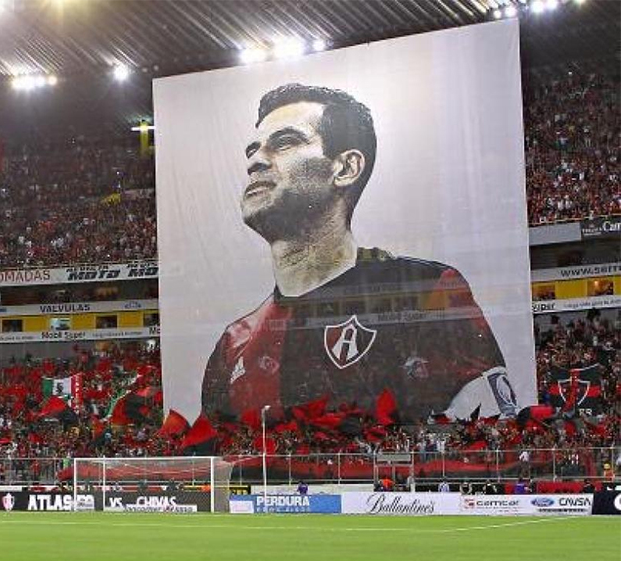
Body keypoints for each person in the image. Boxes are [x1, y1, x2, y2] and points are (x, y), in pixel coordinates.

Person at [200, 83, 516, 424]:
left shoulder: (427, 290)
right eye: (252, 150)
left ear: (346, 168)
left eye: (285, 142)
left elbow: (489, 430)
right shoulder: (234, 343)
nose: (255, 161)